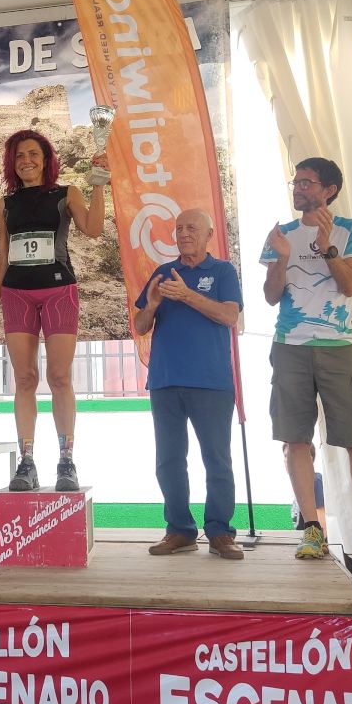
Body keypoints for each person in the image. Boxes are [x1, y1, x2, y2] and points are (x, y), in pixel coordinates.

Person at [261, 157, 352, 567]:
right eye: (295, 182)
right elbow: (271, 296)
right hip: (290, 346)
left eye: (306, 183)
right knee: (295, 439)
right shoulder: (281, 234)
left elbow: (349, 286)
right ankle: (312, 529)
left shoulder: (350, 230)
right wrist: (280, 258)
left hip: (339, 346)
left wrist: (327, 248)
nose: (298, 188)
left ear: (328, 190)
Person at [0, 129, 107, 492]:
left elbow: (94, 229)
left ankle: (66, 461)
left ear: (46, 159)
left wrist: (99, 184)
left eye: (33, 154)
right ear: (12, 162)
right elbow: (1, 258)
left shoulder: (66, 193)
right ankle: (27, 462)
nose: (26, 161)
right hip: (16, 293)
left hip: (58, 291)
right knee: (24, 379)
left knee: (59, 378)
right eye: (19, 156)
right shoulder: (4, 204)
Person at [134, 209, 245, 561]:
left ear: (209, 234)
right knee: (168, 460)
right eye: (179, 228)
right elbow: (140, 326)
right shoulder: (163, 272)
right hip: (165, 379)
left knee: (217, 459)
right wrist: (152, 306)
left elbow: (229, 316)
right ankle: (180, 530)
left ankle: (220, 531)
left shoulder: (222, 271)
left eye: (192, 228)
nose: (184, 233)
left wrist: (187, 295)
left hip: (211, 381)